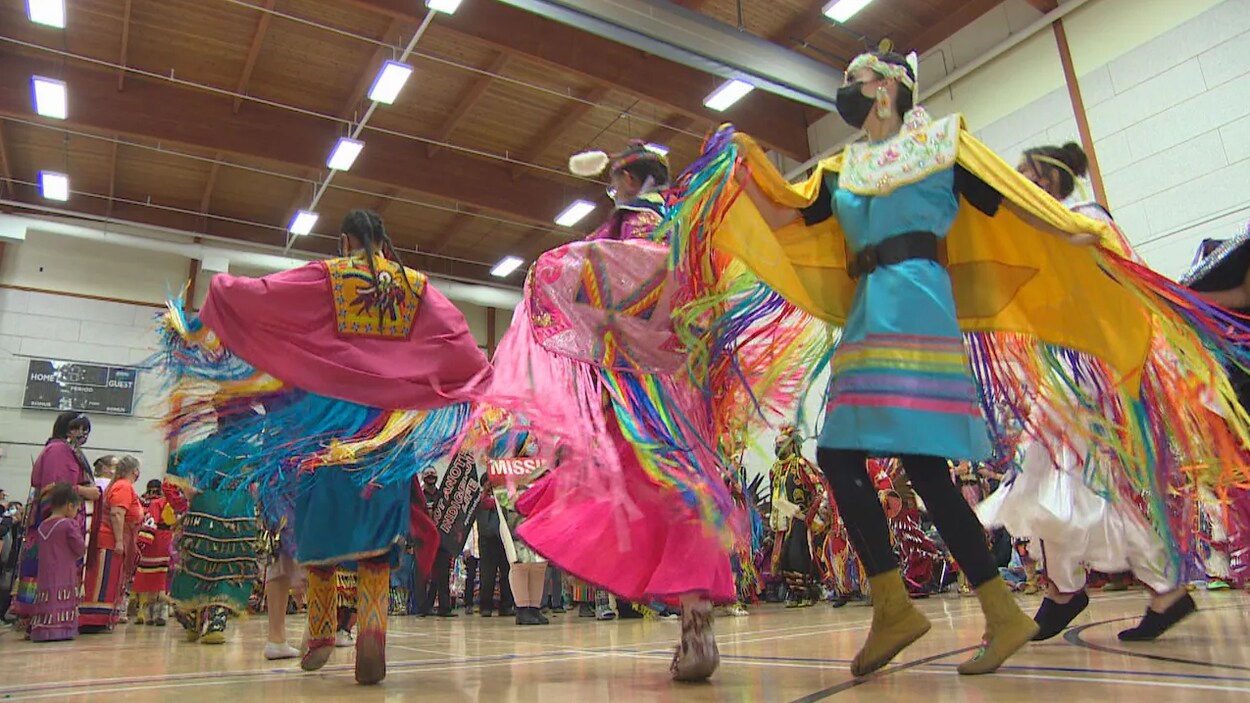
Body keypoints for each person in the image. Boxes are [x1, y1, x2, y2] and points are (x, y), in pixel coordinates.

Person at [668, 45, 1250, 676]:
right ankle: (997, 614)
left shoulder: (942, 145)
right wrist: (741, 167)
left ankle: (899, 607)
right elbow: (787, 211)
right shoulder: (844, 166)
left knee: (843, 454)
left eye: (854, 81)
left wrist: (1070, 230)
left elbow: (1005, 199)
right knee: (923, 469)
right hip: (872, 305)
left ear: (888, 89)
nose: (847, 91)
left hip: (913, 300)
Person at [153, 209, 483, 685]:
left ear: (346, 239)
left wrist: (219, 294)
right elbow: (458, 340)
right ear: (385, 239)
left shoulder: (330, 276)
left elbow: (267, 297)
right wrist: (480, 381)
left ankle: (322, 630)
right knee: (377, 532)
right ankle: (372, 629)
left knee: (318, 521)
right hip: (384, 428)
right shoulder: (415, 287)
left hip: (324, 424)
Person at [477, 141, 765, 681]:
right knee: (686, 497)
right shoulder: (688, 225)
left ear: (632, 179)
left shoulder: (626, 228)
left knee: (630, 494)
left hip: (639, 398)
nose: (613, 191)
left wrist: (547, 271)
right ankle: (696, 627)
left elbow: (580, 281)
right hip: (684, 392)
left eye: (616, 181)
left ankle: (693, 628)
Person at [9, 412, 100, 632]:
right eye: (79, 429)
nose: (83, 434)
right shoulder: (58, 450)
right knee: (49, 569)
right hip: (53, 526)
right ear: (68, 429)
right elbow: (53, 489)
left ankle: (51, 617)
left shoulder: (68, 451)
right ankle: (39, 616)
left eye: (86, 430)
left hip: (61, 525)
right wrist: (85, 490)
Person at [81, 456, 143, 632]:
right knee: (103, 579)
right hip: (109, 540)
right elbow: (117, 514)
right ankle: (93, 619)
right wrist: (119, 541)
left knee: (110, 579)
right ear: (135, 471)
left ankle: (100, 618)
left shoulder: (120, 485)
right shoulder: (123, 486)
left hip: (112, 539)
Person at [28, 483, 86, 642]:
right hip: (64, 571)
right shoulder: (68, 525)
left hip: (44, 574)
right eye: (76, 509)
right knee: (60, 596)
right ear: (69, 506)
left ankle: (43, 630)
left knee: (48, 597)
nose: (76, 513)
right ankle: (61, 630)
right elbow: (80, 548)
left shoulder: (42, 526)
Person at [133, 479, 175, 626]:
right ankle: (155, 612)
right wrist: (144, 540)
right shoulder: (159, 503)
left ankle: (155, 612)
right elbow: (151, 521)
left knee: (160, 577)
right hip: (160, 541)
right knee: (159, 577)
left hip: (164, 540)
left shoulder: (162, 503)